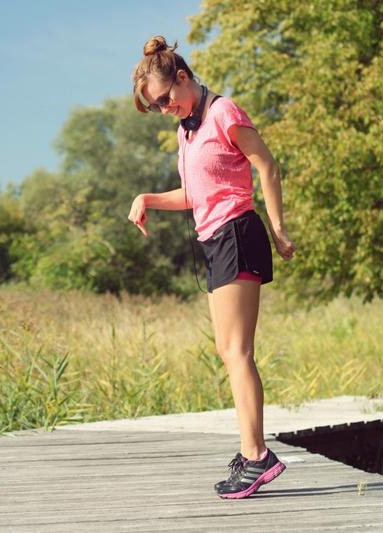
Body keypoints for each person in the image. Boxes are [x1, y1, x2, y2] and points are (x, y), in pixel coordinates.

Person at [128, 36, 296, 499]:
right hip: (215, 240)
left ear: (183, 78)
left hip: (238, 233)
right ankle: (250, 451)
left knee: (238, 351)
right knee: (227, 350)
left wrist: (279, 229)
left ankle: (258, 456)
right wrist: (147, 198)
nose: (165, 109)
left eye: (165, 99)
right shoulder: (187, 131)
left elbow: (267, 165)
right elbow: (196, 194)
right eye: (156, 107)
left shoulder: (224, 112)